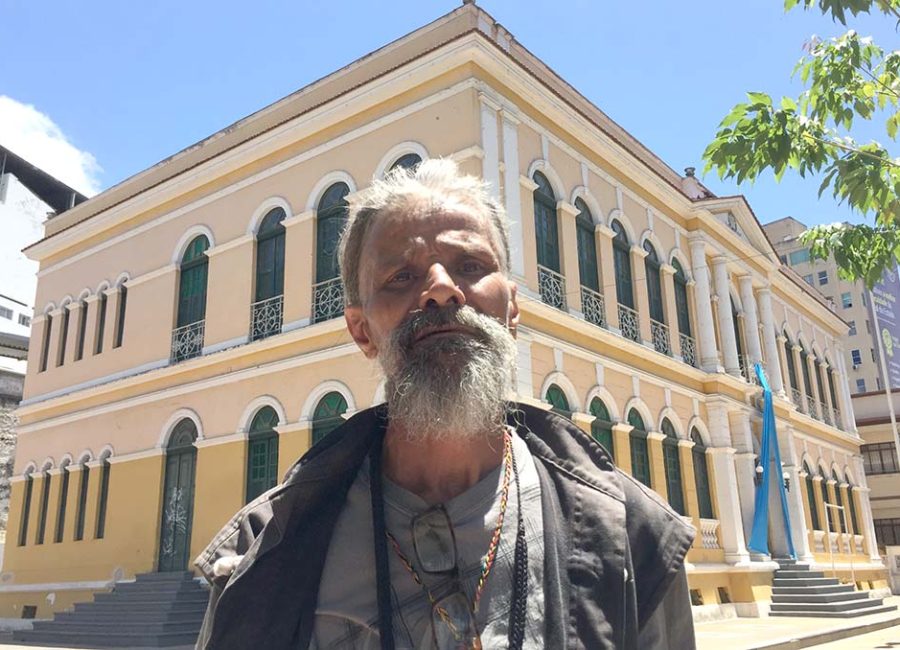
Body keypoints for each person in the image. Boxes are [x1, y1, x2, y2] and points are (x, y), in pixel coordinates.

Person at [194, 159, 696, 650]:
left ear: (513, 309)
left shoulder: (632, 538)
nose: (441, 290)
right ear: (360, 330)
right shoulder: (263, 556)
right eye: (401, 277)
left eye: (471, 266)